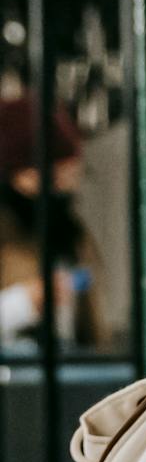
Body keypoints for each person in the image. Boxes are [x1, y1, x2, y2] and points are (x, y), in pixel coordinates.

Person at [0, 96, 104, 349]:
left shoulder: (71, 231)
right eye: (52, 177)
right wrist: (20, 303)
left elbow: (92, 326)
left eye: (70, 175)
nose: (66, 187)